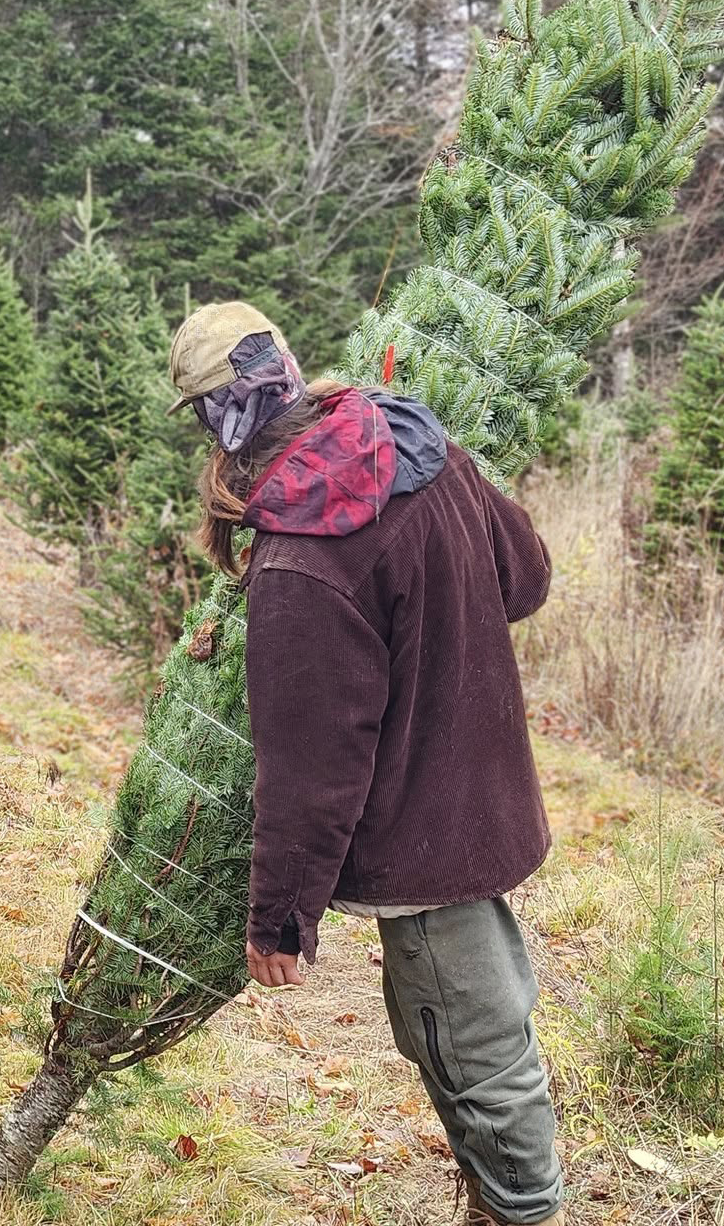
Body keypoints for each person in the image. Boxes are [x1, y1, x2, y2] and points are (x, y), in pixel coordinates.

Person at [167, 302, 563, 1226]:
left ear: (211, 422)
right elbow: (525, 576)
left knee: (474, 1045)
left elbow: (311, 770)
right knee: (452, 1030)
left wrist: (280, 921)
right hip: (482, 797)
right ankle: (497, 1199)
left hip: (422, 838)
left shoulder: (301, 557)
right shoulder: (414, 442)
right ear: (289, 369)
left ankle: (524, 1210)